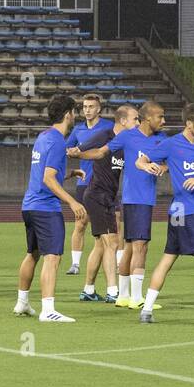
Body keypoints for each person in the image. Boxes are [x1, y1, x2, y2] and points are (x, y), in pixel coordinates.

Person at [135, 103, 194, 325]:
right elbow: (140, 160)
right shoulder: (171, 144)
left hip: (177, 210)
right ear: (189, 124)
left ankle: (146, 310)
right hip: (190, 211)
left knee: (168, 257)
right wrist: (146, 167)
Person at [14, 95, 88, 322]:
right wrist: (72, 201)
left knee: (33, 254)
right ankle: (48, 310)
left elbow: (47, 173)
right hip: (46, 208)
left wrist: (70, 173)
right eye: (74, 112)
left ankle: (22, 303)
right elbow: (48, 178)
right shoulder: (57, 141)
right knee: (52, 256)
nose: (75, 116)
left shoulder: (43, 137)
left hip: (30, 205)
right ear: (67, 114)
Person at [68, 104, 139, 302]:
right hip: (97, 194)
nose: (138, 123)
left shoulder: (127, 142)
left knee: (100, 244)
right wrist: (77, 153)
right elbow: (82, 150)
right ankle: (113, 291)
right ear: (123, 121)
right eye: (135, 119)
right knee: (112, 242)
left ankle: (88, 290)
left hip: (108, 196)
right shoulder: (104, 135)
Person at [108, 100, 169, 310]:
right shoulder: (128, 136)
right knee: (140, 246)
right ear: (147, 118)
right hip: (137, 198)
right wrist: (80, 152)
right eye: (160, 117)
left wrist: (162, 167)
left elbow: (168, 162)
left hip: (141, 198)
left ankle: (123, 296)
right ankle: (137, 297)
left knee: (131, 248)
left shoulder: (162, 138)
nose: (163, 121)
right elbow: (103, 151)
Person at [65, 94, 116, 276]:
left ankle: (117, 262)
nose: (87, 110)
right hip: (84, 183)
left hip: (104, 183)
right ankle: (75, 264)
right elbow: (67, 149)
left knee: (113, 225)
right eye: (85, 106)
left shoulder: (109, 128)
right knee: (80, 223)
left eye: (91, 106)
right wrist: (70, 152)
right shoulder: (78, 130)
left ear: (99, 109)